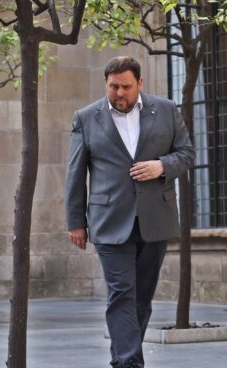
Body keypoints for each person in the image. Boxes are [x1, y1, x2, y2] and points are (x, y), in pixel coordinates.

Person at [65, 56, 194, 368]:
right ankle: (128, 362)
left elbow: (187, 154)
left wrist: (161, 166)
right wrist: (76, 222)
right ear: (106, 84)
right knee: (121, 292)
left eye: (125, 87)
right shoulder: (87, 118)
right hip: (109, 221)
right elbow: (75, 172)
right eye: (112, 87)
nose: (118, 93)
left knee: (141, 297)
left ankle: (122, 356)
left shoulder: (165, 110)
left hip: (155, 219)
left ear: (140, 84)